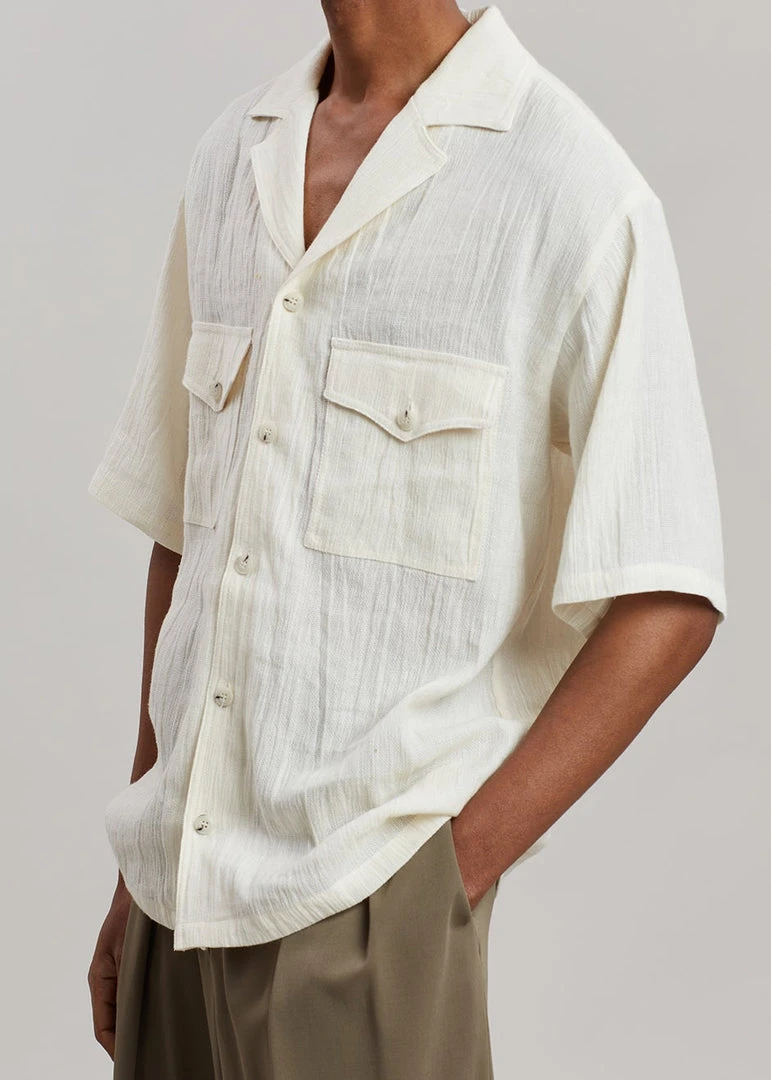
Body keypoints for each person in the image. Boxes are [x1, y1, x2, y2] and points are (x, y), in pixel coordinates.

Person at [85, 3, 727, 1077]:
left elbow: (668, 598)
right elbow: (188, 534)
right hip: (172, 901)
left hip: (365, 909)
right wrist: (138, 857)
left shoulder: (569, 187)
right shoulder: (232, 158)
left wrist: (442, 884)